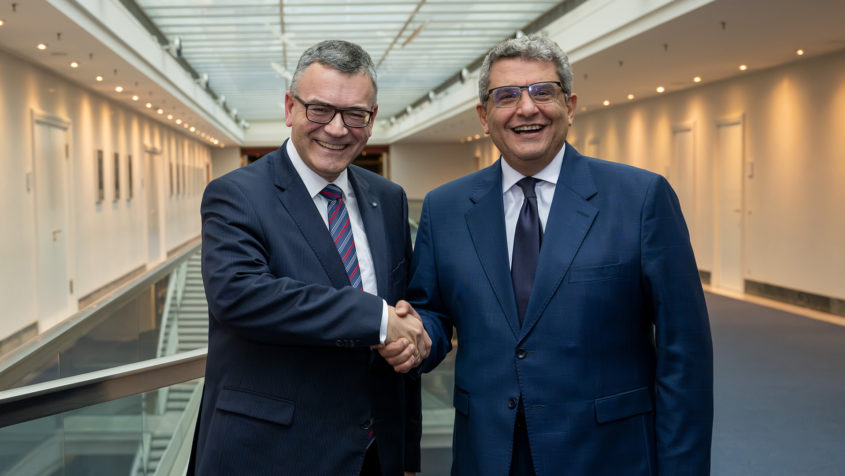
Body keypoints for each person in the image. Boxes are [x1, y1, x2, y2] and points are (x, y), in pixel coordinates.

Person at [404, 35, 713, 475]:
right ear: (483, 115)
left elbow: (686, 353)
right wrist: (416, 338)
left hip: (607, 455)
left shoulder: (641, 199)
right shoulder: (446, 208)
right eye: (506, 95)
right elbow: (432, 311)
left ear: (569, 106)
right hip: (488, 455)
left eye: (542, 91)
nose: (526, 108)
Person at [189, 40, 429, 475]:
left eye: (355, 114)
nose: (337, 129)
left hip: (375, 455)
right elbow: (240, 296)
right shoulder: (236, 195)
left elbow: (403, 313)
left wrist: (407, 454)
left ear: (372, 119)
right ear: (290, 108)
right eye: (320, 109)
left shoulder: (388, 199)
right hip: (273, 455)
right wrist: (376, 318)